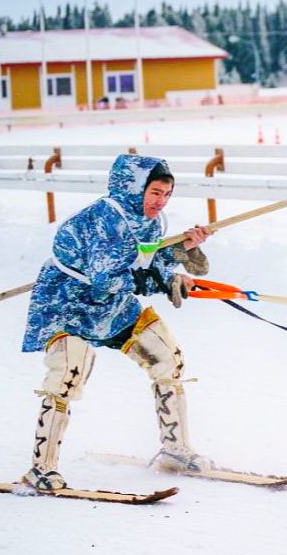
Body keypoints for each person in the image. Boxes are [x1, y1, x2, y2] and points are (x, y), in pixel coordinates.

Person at [20, 154, 214, 491]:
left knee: (166, 357)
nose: (161, 201)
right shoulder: (106, 218)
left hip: (113, 307)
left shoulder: (149, 220)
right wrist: (164, 280)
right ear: (134, 188)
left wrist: (183, 249)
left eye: (166, 194)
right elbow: (107, 277)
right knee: (68, 375)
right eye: (154, 192)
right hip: (69, 303)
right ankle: (41, 468)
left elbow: (147, 257)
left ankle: (175, 450)